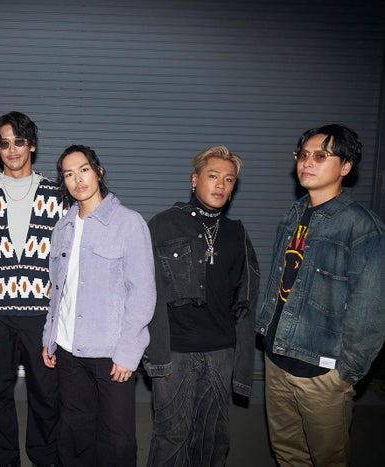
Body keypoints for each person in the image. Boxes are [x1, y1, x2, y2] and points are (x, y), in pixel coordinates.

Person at [256, 124, 385, 466]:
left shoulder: (362, 227)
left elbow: (371, 308)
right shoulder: (294, 214)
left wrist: (347, 372)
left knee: (328, 459)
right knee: (287, 453)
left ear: (346, 167)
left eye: (320, 156)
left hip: (322, 370)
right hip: (277, 357)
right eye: (303, 154)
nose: (307, 162)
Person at [143, 146, 260, 466]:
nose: (221, 184)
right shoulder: (163, 224)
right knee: (171, 436)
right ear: (194, 180)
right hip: (175, 352)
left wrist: (242, 359)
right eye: (213, 176)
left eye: (229, 179)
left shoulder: (237, 233)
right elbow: (143, 291)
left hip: (221, 353)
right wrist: (151, 353)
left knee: (212, 439)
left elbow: (247, 299)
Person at [42, 145, 156, 466]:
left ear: (99, 171)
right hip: (67, 351)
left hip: (110, 354)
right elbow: (57, 290)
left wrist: (128, 352)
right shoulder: (62, 228)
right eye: (68, 174)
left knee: (116, 441)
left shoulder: (128, 223)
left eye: (84, 170)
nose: (77, 179)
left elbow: (142, 293)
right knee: (74, 436)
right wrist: (49, 337)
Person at [0, 111, 62, 466]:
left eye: (19, 142)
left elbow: (69, 250)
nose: (12, 150)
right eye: (4, 144)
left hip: (41, 311)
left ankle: (44, 455)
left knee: (47, 392)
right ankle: (2, 458)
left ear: (31, 145)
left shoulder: (56, 194)